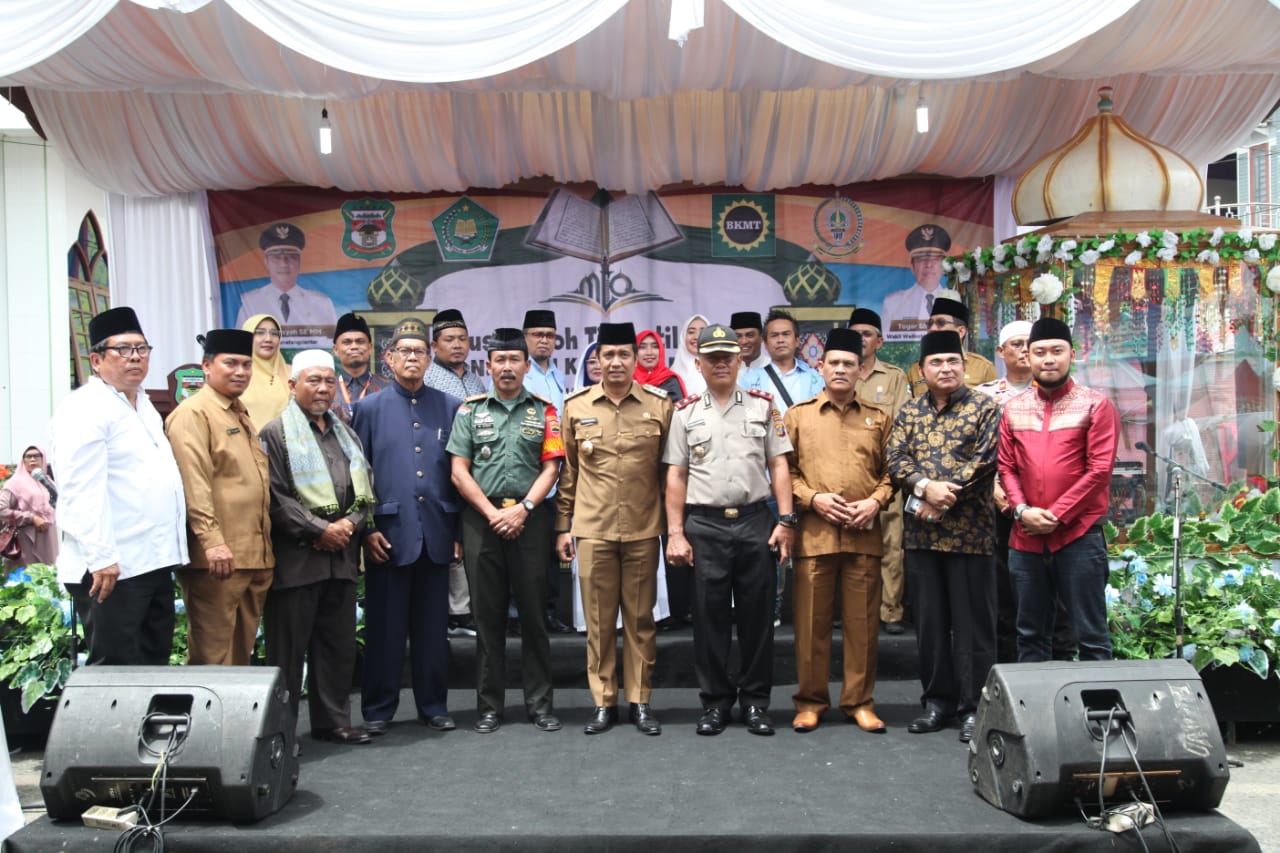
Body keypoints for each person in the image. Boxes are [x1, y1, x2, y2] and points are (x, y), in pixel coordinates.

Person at [664, 323, 794, 737]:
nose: (720, 364)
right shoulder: (684, 413)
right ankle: (716, 702)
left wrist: (786, 521)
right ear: (698, 364)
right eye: (712, 358)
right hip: (704, 525)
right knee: (709, 619)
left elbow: (778, 465)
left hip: (756, 521)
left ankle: (755, 702)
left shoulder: (763, 407)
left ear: (740, 361)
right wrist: (676, 533)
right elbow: (676, 475)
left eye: (727, 357)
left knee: (758, 618)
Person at [50, 307, 187, 666]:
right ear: (96, 360)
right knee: (116, 671)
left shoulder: (143, 404)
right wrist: (102, 558)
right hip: (113, 568)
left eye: (142, 349)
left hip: (153, 560)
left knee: (153, 664)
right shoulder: (85, 407)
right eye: (123, 349)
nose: (135, 357)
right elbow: (81, 490)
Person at [556, 322, 672, 736]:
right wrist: (563, 526)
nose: (617, 362)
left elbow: (669, 473)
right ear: (597, 360)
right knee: (600, 622)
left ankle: (640, 701)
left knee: (640, 620)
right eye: (609, 354)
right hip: (593, 529)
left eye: (625, 354)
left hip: (643, 527)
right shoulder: (576, 406)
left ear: (636, 358)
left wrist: (675, 528)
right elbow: (569, 472)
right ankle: (603, 702)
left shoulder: (659, 405)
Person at [448, 328, 564, 733]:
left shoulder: (545, 411)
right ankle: (489, 707)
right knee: (487, 618)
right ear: (489, 365)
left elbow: (552, 467)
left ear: (527, 365)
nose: (508, 367)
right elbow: (458, 471)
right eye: (500, 360)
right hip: (482, 521)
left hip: (531, 520)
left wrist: (523, 509)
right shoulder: (469, 411)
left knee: (534, 616)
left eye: (515, 360)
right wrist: (492, 513)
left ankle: (540, 705)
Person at [887, 329, 1000, 744]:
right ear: (922, 369)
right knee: (931, 626)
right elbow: (895, 458)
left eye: (953, 361)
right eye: (936, 362)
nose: (946, 368)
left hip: (971, 535)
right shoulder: (910, 412)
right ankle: (937, 702)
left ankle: (975, 708)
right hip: (922, 538)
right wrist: (923, 487)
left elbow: (985, 461)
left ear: (964, 366)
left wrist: (943, 496)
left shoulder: (985, 408)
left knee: (973, 628)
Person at [350, 317, 461, 735]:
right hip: (388, 535)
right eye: (404, 352)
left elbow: (460, 475)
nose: (412, 358)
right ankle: (379, 709)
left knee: (433, 630)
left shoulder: (451, 407)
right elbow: (357, 475)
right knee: (385, 628)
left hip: (437, 531)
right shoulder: (368, 409)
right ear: (389, 358)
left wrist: (458, 534)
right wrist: (366, 529)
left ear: (430, 359)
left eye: (419, 352)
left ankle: (434, 705)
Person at [260, 350, 375, 745]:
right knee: (287, 653)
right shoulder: (275, 433)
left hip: (340, 559)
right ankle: (280, 731)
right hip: (298, 561)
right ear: (293, 385)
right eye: (313, 380)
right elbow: (274, 497)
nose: (323, 388)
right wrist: (319, 529)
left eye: (328, 381)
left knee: (336, 647)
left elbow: (366, 489)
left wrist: (350, 524)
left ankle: (333, 722)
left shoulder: (347, 433)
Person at [784, 328, 894, 734]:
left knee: (862, 626)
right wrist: (813, 499)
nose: (842, 369)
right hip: (815, 536)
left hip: (864, 535)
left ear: (862, 369)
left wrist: (875, 502)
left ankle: (859, 702)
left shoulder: (878, 418)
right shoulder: (798, 415)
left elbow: (893, 472)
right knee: (810, 626)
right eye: (834, 363)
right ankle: (811, 701)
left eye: (850, 363)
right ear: (820, 366)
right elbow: (784, 472)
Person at [999, 317, 1120, 663]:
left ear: (1072, 355)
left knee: (1092, 637)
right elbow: (1006, 467)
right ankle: (1035, 702)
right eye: (1040, 352)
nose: (1048, 359)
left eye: (1057, 351)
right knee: (1030, 636)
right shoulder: (1014, 408)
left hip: (1079, 535)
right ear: (1028, 357)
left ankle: (1099, 701)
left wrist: (1055, 515)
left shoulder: (1095, 405)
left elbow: (1099, 470)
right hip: (1025, 538)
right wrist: (1022, 511)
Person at [166, 328, 274, 665]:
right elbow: (193, 482)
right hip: (217, 558)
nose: (240, 371)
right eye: (231, 363)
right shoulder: (194, 413)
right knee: (212, 658)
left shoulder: (238, 412)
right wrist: (212, 541)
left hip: (252, 555)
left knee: (240, 658)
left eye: (246, 364)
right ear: (206, 366)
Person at [739, 307, 823, 627]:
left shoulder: (815, 378)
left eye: (786, 334)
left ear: (797, 339)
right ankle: (773, 606)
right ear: (765, 342)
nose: (780, 340)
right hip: (768, 475)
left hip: (809, 474)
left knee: (810, 544)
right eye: (773, 335)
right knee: (771, 545)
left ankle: (809, 608)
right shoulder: (750, 379)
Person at [421, 308, 486, 639]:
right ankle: (444, 613)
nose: (457, 345)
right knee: (443, 539)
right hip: (439, 467)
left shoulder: (475, 379)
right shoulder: (428, 377)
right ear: (435, 345)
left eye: (462, 339)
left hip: (475, 471)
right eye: (449, 339)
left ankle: (463, 611)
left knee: (466, 540)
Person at [975, 319, 1038, 662]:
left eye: (1030, 343)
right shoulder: (983, 396)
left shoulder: (1052, 391)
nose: (1024, 350)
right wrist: (992, 488)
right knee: (1000, 583)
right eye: (1016, 344)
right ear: (1000, 351)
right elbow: (972, 452)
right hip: (996, 503)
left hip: (1042, 505)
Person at [849, 308, 911, 635]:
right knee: (848, 546)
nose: (860, 339)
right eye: (855, 333)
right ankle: (851, 611)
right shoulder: (838, 371)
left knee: (890, 544)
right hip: (845, 475)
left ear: (880, 341)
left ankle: (890, 611)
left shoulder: (894, 377)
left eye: (867, 334)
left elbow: (901, 427)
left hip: (886, 475)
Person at [523, 309, 572, 634]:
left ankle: (550, 613)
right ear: (525, 338)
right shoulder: (520, 372)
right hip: (530, 477)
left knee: (553, 552)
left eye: (549, 335)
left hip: (556, 478)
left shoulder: (556, 374)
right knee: (528, 555)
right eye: (537, 334)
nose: (544, 340)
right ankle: (523, 617)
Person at [236, 223, 338, 330]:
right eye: (276, 257)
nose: (284, 264)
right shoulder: (251, 303)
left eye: (291, 257)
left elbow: (332, 339)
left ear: (299, 261)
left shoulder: (321, 303)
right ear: (266, 262)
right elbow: (240, 339)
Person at [906, 297, 997, 396]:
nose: (932, 328)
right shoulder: (916, 369)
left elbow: (993, 402)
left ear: (961, 331)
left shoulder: (983, 367)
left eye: (941, 323)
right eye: (930, 323)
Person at [882, 223, 951, 342]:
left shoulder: (954, 301)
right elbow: (886, 344)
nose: (929, 265)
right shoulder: (893, 303)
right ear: (912, 267)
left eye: (935, 259)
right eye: (921, 259)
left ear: (944, 266)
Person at [0, 446, 58, 571]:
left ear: (43, 459)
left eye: (36, 456)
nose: (32, 459)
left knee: (49, 576)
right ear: (23, 460)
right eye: (28, 456)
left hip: (48, 538)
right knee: (28, 577)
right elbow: (1, 509)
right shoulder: (14, 484)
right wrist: (31, 517)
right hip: (26, 539)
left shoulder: (47, 481)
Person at [331, 312, 391, 423]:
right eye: (347, 342)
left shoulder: (389, 388)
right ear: (335, 350)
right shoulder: (327, 389)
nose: (354, 346)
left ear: (370, 348)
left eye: (360, 342)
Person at [240, 314, 291, 432]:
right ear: (247, 337)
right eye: (259, 332)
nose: (268, 339)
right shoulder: (236, 375)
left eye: (274, 333)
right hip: (245, 441)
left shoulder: (292, 373)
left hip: (286, 442)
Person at [634, 329, 686, 400]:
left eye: (655, 346)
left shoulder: (670, 380)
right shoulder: (627, 380)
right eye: (642, 347)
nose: (649, 352)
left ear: (661, 350)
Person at [671, 314, 709, 396]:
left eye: (703, 332)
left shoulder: (719, 369)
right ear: (684, 337)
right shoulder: (672, 375)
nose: (697, 337)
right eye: (691, 332)